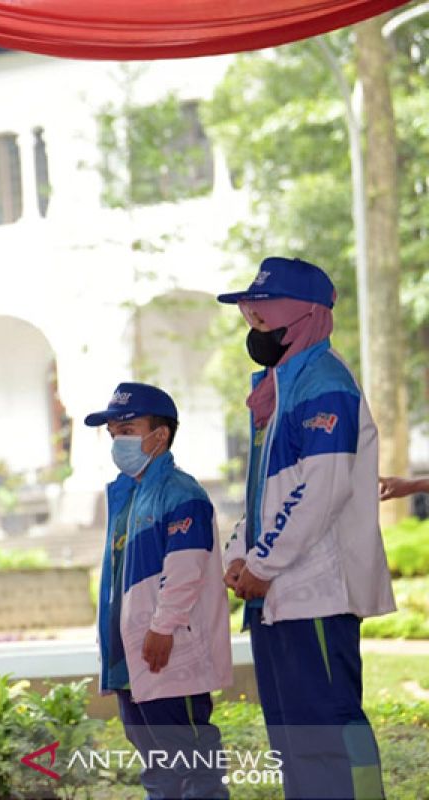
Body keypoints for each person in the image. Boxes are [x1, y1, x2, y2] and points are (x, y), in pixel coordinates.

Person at [218, 256, 396, 800]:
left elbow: (322, 489)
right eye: (254, 321)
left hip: (315, 594)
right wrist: (237, 552)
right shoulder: (279, 390)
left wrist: (264, 565)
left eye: (268, 319)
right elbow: (265, 491)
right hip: (280, 597)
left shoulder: (323, 382)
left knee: (327, 738)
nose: (259, 331)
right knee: (295, 745)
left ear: (306, 317)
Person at [84, 382, 232, 799]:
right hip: (130, 656)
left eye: (128, 430)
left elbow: (186, 568)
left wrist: (163, 627)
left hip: (166, 653)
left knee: (189, 760)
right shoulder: (127, 493)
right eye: (114, 434)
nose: (119, 442)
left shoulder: (180, 494)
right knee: (157, 762)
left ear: (160, 435)